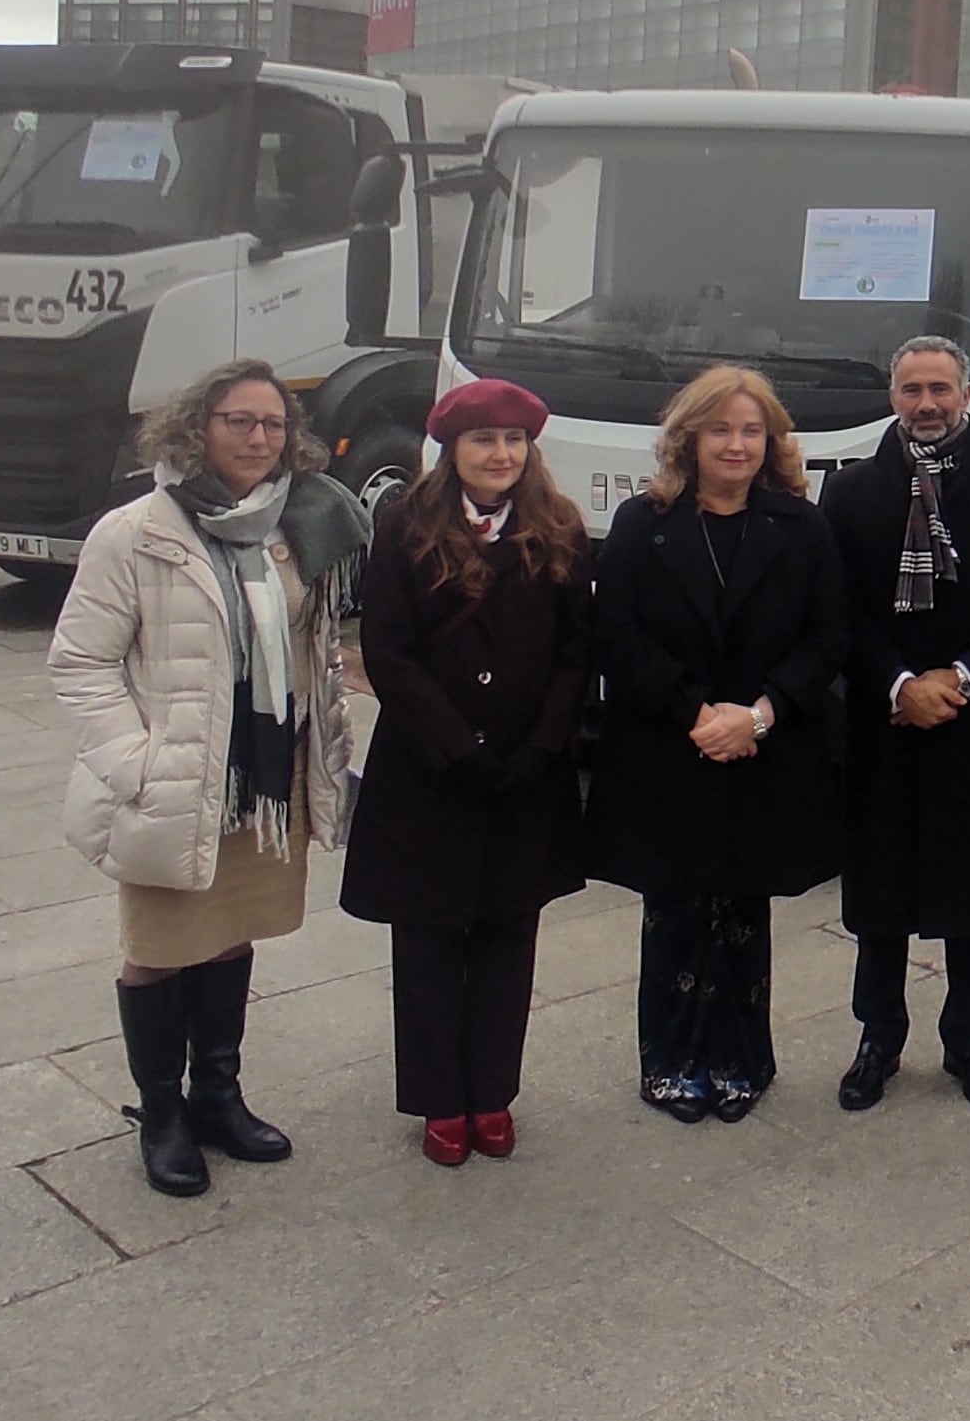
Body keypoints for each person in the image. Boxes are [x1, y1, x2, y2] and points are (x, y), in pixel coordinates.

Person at [48, 357, 370, 1197]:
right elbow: (80, 661)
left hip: (263, 786)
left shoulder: (294, 522)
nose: (259, 437)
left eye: (272, 424)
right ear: (198, 428)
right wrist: (136, 763)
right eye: (239, 420)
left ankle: (218, 1097)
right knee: (157, 951)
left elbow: (315, 647)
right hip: (176, 783)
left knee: (232, 935)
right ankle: (162, 1116)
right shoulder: (137, 529)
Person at [585, 365, 847, 1125]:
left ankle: (740, 1060)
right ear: (690, 437)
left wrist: (759, 715)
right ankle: (668, 1061)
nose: (736, 445)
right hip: (670, 748)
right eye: (721, 429)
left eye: (751, 430)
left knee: (742, 910)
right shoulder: (644, 523)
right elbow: (615, 633)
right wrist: (696, 711)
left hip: (765, 750)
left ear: (771, 441)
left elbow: (828, 636)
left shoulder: (800, 525)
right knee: (672, 910)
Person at [341, 379, 591, 1167]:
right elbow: (388, 649)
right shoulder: (405, 524)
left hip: (524, 770)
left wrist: (541, 746)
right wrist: (457, 747)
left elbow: (576, 651)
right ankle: (439, 1098)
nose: (501, 455)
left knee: (508, 933)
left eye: (515, 441)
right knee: (428, 937)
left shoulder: (558, 526)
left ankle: (493, 1091)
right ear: (452, 449)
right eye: (485, 440)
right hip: (429, 771)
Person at [822, 336, 970, 1113]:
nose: (927, 403)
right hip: (884, 724)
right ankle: (877, 1037)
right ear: (892, 397)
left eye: (940, 388)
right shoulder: (849, 494)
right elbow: (837, 610)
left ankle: (966, 1040)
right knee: (881, 894)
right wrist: (897, 681)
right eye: (912, 388)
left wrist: (967, 675)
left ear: (967, 395)